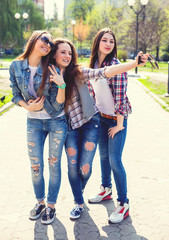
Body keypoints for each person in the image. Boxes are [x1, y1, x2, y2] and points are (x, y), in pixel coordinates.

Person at [48, 38, 148, 220]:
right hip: (70, 127)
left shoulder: (77, 71)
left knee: (87, 167)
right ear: (53, 54)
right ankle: (79, 202)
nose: (67, 56)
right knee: (74, 167)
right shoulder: (48, 74)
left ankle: (121, 203)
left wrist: (134, 63)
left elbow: (104, 73)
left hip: (91, 123)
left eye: (70, 53)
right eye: (63, 52)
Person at [9, 31, 68, 225]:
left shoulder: (51, 68)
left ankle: (51, 206)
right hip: (33, 122)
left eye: (51, 43)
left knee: (53, 165)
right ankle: (40, 203)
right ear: (34, 39)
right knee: (36, 166)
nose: (48, 44)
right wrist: (28, 107)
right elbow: (15, 94)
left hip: (56, 121)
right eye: (45, 39)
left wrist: (61, 86)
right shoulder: (16, 66)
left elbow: (59, 104)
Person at [87, 28, 138, 223]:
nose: (108, 44)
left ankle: (123, 203)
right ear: (97, 42)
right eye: (104, 40)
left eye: (111, 41)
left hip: (117, 120)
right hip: (101, 118)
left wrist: (119, 124)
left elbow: (121, 98)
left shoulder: (115, 66)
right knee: (103, 157)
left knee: (115, 160)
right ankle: (105, 189)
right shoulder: (93, 65)